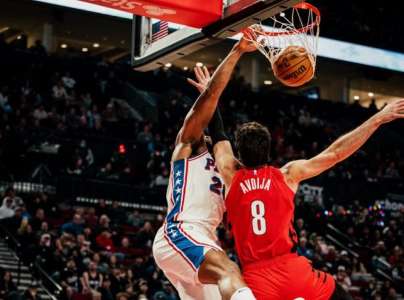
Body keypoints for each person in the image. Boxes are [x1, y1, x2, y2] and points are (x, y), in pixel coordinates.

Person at [211, 96, 404, 299]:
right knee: (340, 294)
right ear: (269, 150)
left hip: (256, 278)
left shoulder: (230, 175)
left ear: (239, 155)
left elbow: (218, 137)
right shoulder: (287, 175)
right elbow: (336, 153)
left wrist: (210, 96)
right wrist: (378, 118)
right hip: (293, 271)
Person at [152, 31, 257, 300]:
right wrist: (236, 52)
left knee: (229, 285)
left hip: (206, 240)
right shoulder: (189, 145)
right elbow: (209, 101)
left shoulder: (229, 167)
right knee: (229, 272)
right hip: (180, 230)